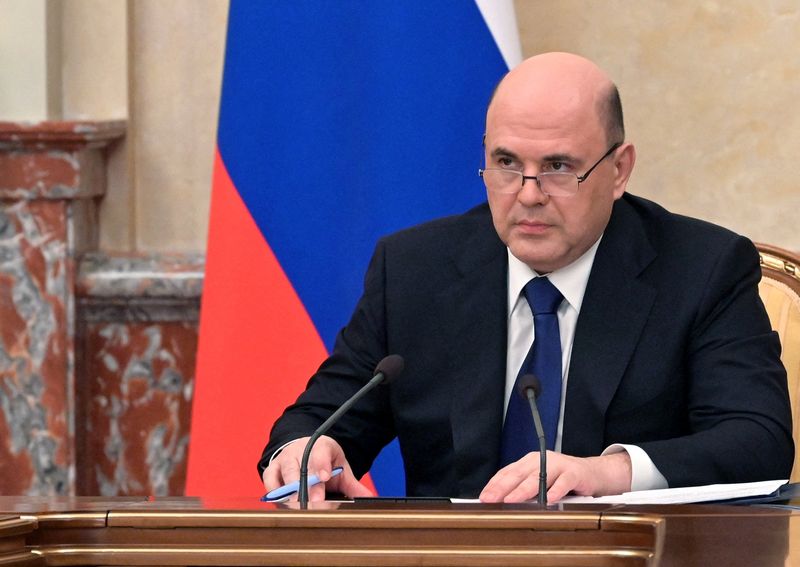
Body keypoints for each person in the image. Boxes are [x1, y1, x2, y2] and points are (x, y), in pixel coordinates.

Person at [259, 52, 794, 503]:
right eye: (507, 162)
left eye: (559, 166)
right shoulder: (415, 269)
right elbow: (323, 414)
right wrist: (305, 452)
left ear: (619, 170)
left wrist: (605, 474)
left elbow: (757, 439)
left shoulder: (702, 268)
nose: (529, 193)